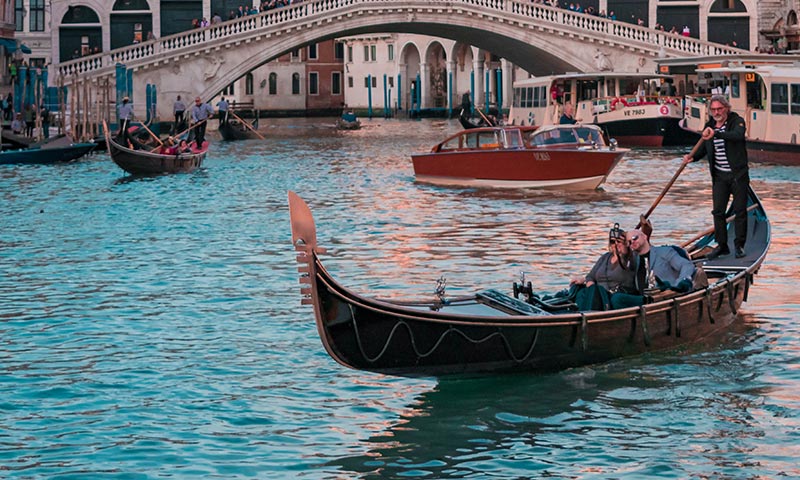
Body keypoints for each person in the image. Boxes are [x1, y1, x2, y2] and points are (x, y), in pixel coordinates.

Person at [682, 94, 749, 259]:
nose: (717, 112)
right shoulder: (709, 126)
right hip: (719, 177)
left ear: (726, 108)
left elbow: (737, 136)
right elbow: (704, 147)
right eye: (713, 110)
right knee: (718, 212)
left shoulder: (736, 121)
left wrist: (716, 134)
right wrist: (692, 157)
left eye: (719, 109)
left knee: (740, 211)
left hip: (738, 176)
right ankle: (722, 245)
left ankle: (739, 245)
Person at [570, 223, 639, 310]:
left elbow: (641, 247)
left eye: (619, 242)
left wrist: (627, 245)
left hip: (615, 295)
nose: (616, 244)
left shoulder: (631, 258)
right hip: (597, 294)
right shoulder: (605, 257)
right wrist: (590, 285)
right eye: (613, 242)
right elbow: (590, 276)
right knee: (578, 289)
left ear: (626, 244)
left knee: (597, 292)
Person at [626, 228, 701, 296]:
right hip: (644, 300)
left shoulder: (664, 252)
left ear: (645, 236)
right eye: (629, 242)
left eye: (634, 238)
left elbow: (687, 265)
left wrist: (679, 284)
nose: (632, 242)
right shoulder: (633, 260)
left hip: (668, 297)